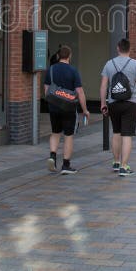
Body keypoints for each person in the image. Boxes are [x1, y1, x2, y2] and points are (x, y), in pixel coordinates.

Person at [100, 39, 136, 177]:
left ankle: (116, 162)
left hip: (113, 103)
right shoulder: (135, 64)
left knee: (116, 132)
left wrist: (103, 103)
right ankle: (124, 166)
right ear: (129, 49)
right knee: (127, 135)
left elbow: (104, 86)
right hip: (130, 103)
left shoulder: (109, 64)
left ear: (118, 48)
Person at [43, 45, 89, 174]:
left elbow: (46, 90)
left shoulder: (51, 69)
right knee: (68, 136)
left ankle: (52, 156)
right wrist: (85, 109)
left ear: (58, 56)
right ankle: (66, 165)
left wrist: (52, 102)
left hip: (54, 107)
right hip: (69, 108)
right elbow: (80, 92)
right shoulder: (73, 71)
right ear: (69, 56)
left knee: (55, 133)